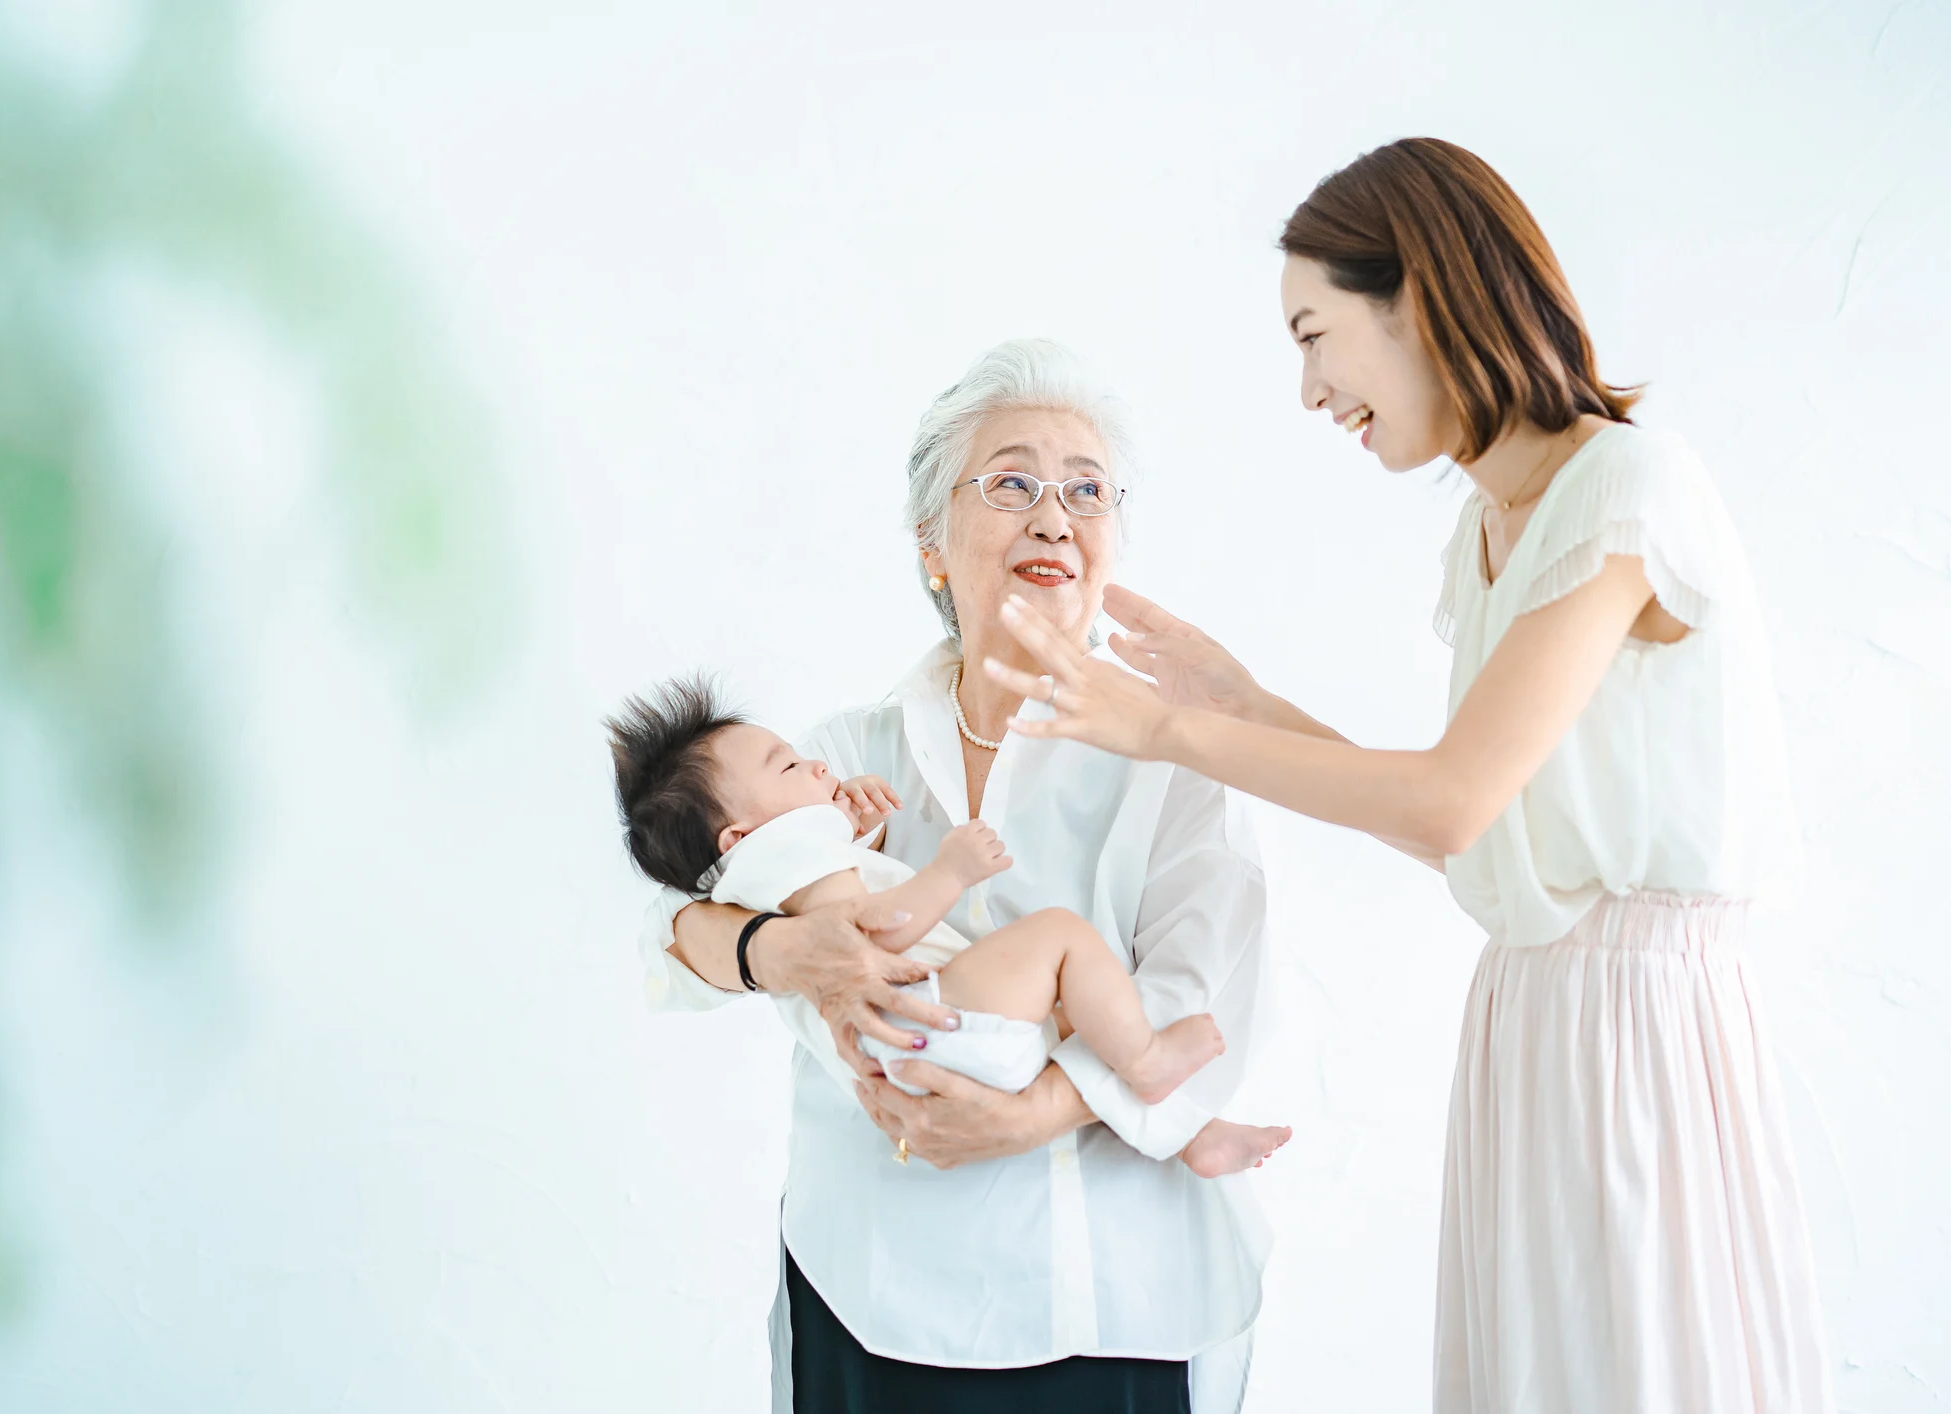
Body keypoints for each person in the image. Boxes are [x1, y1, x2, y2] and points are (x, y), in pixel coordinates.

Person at [987, 139, 1834, 1413]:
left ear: (1422, 298)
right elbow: (1476, 833)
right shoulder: (1496, 529)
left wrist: (1164, 731)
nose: (1314, 388)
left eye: (1318, 334)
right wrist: (1244, 704)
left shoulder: (1627, 491)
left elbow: (1452, 797)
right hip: (1538, 1014)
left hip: (1639, 1027)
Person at [634, 339, 1273, 1411]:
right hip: (866, 1282)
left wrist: (1031, 1114)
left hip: (1102, 1292)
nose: (1054, 516)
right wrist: (775, 948)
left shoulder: (1174, 759)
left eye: (1087, 490)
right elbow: (676, 910)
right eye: (1012, 481)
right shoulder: (842, 752)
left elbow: (1205, 999)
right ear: (932, 540)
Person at [607, 677, 1290, 1177]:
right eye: (790, 765)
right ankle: (1145, 1065)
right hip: (931, 1023)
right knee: (1061, 939)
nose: (818, 766)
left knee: (1066, 1000)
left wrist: (859, 835)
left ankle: (1187, 1129)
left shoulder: (774, 856)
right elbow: (873, 927)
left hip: (930, 1047)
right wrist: (948, 871)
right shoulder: (791, 844)